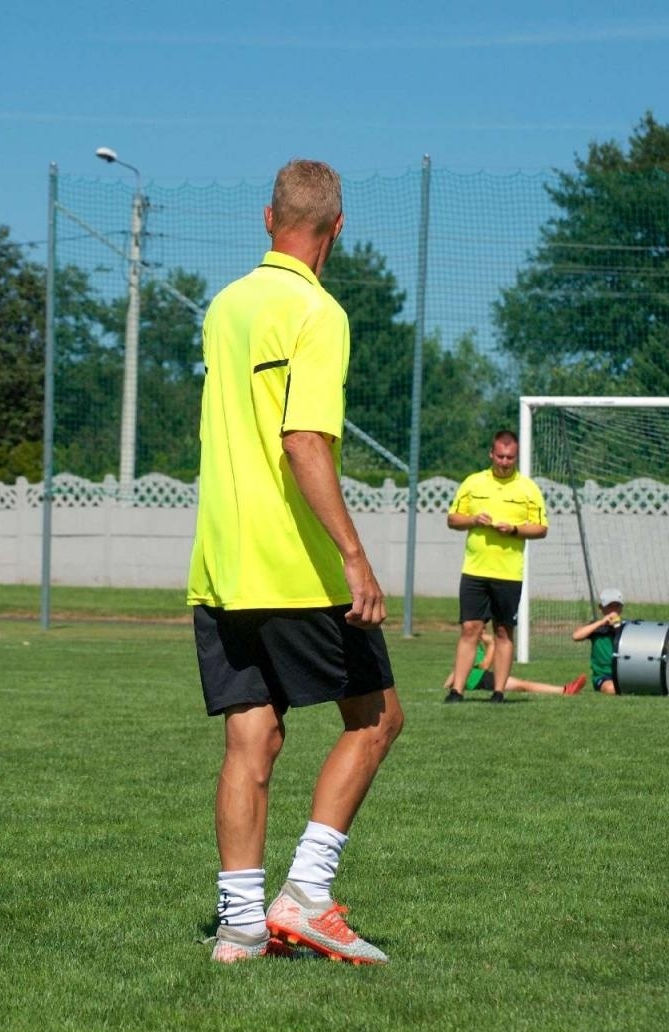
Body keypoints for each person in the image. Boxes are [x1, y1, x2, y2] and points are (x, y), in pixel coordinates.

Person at [188, 159, 403, 966]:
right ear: (337, 228)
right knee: (377, 719)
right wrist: (354, 555)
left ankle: (240, 928)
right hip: (293, 566)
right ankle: (306, 894)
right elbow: (303, 439)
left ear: (267, 217)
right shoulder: (318, 311)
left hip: (221, 562)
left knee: (253, 739)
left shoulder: (226, 305)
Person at [445, 430, 549, 702]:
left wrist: (514, 529)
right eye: (500, 456)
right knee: (470, 629)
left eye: (509, 457)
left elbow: (541, 528)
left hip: (508, 573)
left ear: (516, 457)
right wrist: (473, 520)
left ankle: (499, 692)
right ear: (491, 454)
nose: (504, 461)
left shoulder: (528, 489)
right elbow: (453, 519)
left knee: (503, 631)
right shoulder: (473, 483)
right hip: (474, 571)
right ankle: (457, 691)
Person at [441, 625, 587, 698]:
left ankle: (564, 690)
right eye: (482, 629)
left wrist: (447, 685)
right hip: (480, 679)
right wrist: (491, 643)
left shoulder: (470, 645)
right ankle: (564, 690)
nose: (483, 631)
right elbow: (483, 665)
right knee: (523, 685)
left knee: (523, 685)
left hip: (479, 678)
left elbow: (458, 669)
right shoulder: (472, 645)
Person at [571, 589, 625, 695]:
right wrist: (601, 622)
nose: (613, 610)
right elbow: (576, 636)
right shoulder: (597, 627)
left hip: (624, 674)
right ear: (601, 608)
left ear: (622, 608)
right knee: (612, 689)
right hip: (604, 677)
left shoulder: (626, 627)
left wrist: (618, 627)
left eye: (617, 606)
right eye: (610, 606)